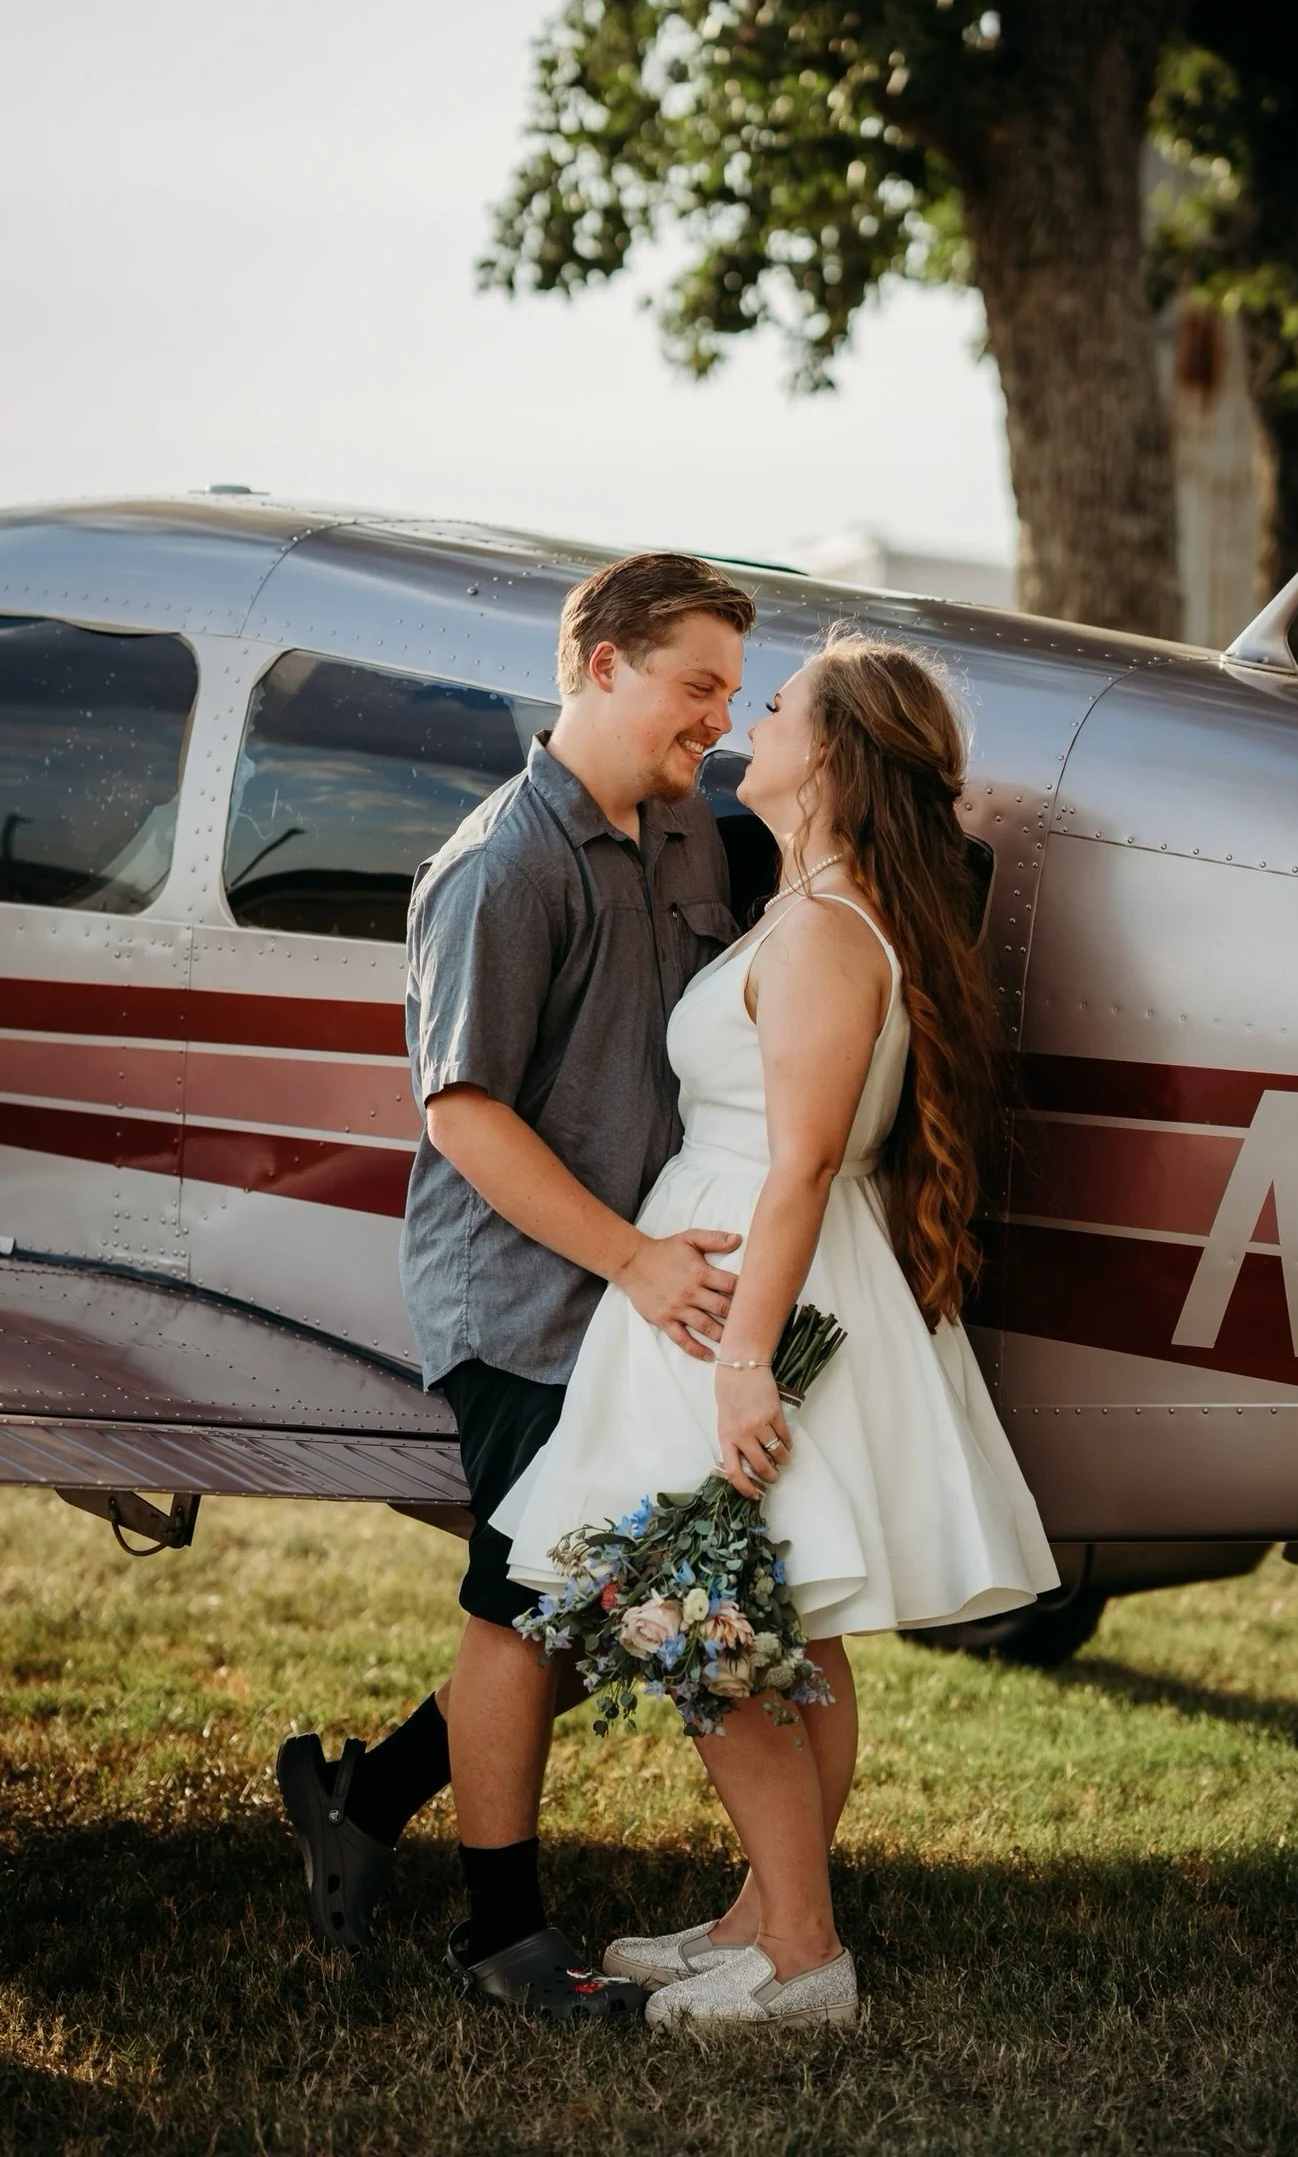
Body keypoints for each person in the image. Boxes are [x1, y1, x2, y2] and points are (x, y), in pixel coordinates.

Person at [495, 629, 1060, 2029]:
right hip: (754, 1276)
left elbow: (801, 1161)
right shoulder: (812, 907)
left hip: (755, 1299)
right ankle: (762, 1914)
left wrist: (745, 1361)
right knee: (783, 1620)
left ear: (841, 758)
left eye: (789, 704)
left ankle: (804, 1956)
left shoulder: (820, 928)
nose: (758, 713)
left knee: (705, 1617)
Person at [276, 551, 757, 2021]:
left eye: (732, 696)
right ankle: (499, 1935)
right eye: (696, 687)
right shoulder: (500, 863)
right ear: (599, 665)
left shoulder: (687, 836)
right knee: (524, 1605)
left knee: (561, 1611)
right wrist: (631, 1260)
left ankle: (361, 1804)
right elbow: (464, 1113)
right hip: (528, 1301)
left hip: (638, 1290)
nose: (717, 725)